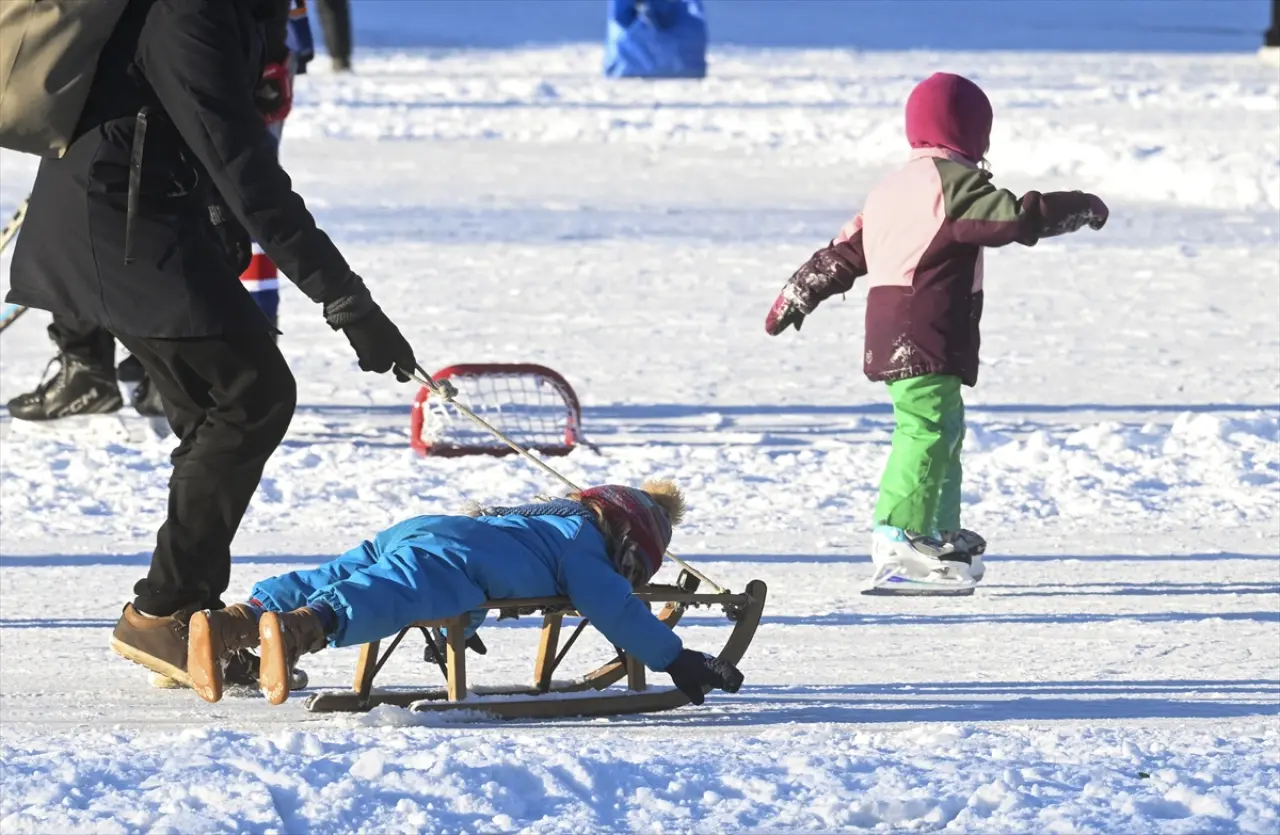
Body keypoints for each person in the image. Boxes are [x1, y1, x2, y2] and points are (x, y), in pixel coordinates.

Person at [4, 0, 418, 686]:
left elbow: (208, 131)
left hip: (149, 212)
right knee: (249, 395)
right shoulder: (191, 11)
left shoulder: (244, 10)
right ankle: (165, 611)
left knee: (219, 407)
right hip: (115, 221)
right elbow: (240, 160)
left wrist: (220, 221)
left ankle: (180, 616)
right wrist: (344, 297)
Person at [763, 72, 1109, 594]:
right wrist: (1077, 205)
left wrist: (798, 291)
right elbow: (1014, 219)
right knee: (925, 430)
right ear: (973, 133)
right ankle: (900, 535)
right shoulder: (951, 182)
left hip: (895, 325)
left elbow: (842, 253)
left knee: (943, 430)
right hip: (924, 325)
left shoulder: (889, 188)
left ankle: (936, 532)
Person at [5, 0, 305, 424]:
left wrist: (276, 50)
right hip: (115, 50)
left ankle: (197, 360)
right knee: (95, 194)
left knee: (226, 197)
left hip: (232, 40)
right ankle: (89, 363)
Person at [186, 481, 745, 707]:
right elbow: (613, 608)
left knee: (344, 571)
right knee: (392, 590)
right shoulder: (586, 548)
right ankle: (299, 629)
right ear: (625, 546)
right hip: (458, 557)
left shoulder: (547, 521)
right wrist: (675, 658)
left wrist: (465, 628)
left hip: (429, 528)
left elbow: (490, 570)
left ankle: (238, 619)